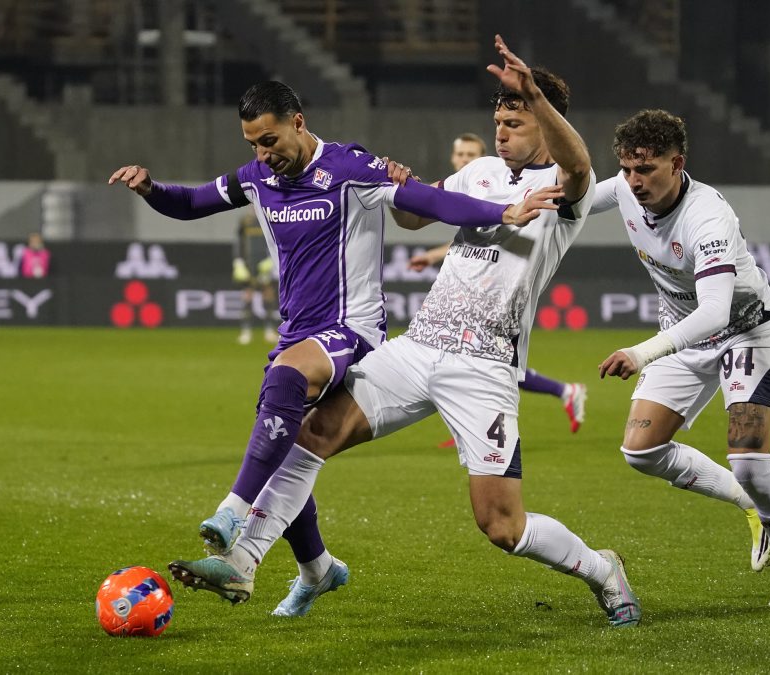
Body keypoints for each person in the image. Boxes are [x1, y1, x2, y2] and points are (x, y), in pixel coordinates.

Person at [171, 36, 641, 628]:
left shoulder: (563, 189)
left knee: (501, 525)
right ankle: (243, 559)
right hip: (419, 349)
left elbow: (578, 166)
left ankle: (602, 570)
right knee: (311, 434)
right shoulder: (478, 174)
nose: (501, 131)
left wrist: (537, 97)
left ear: (546, 123)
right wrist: (398, 183)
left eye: (515, 121)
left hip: (486, 366)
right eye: (498, 119)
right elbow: (414, 214)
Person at [109, 79, 549, 615]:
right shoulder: (257, 178)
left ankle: (232, 512)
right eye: (252, 144)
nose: (262, 155)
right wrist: (151, 188)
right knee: (287, 446)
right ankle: (317, 568)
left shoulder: (349, 168)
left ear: (298, 122)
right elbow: (192, 202)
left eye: (269, 140)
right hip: (298, 334)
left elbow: (428, 200)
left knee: (286, 388)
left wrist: (500, 213)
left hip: (352, 330)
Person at [593, 109, 770, 608]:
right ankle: (750, 508)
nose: (634, 182)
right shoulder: (623, 188)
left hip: (742, 331)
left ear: (677, 163)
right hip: (683, 336)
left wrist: (641, 351)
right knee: (640, 451)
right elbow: (567, 204)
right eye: (627, 170)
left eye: (646, 170)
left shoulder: (707, 215)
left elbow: (716, 310)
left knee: (752, 466)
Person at [410, 132, 588, 436]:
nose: (465, 160)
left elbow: (497, 231)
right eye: (460, 155)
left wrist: (432, 255)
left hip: (496, 314)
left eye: (470, 154)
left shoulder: (515, 183)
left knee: (490, 367)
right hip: (453, 318)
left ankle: (563, 391)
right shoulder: (469, 181)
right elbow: (452, 227)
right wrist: (397, 189)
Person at [233, 211, 279, 344]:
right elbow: (239, 241)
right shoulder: (245, 220)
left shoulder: (269, 218)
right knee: (248, 296)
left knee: (268, 295)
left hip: (265, 264)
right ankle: (246, 331)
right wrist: (238, 261)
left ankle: (269, 331)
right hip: (249, 263)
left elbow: (275, 241)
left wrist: (271, 259)